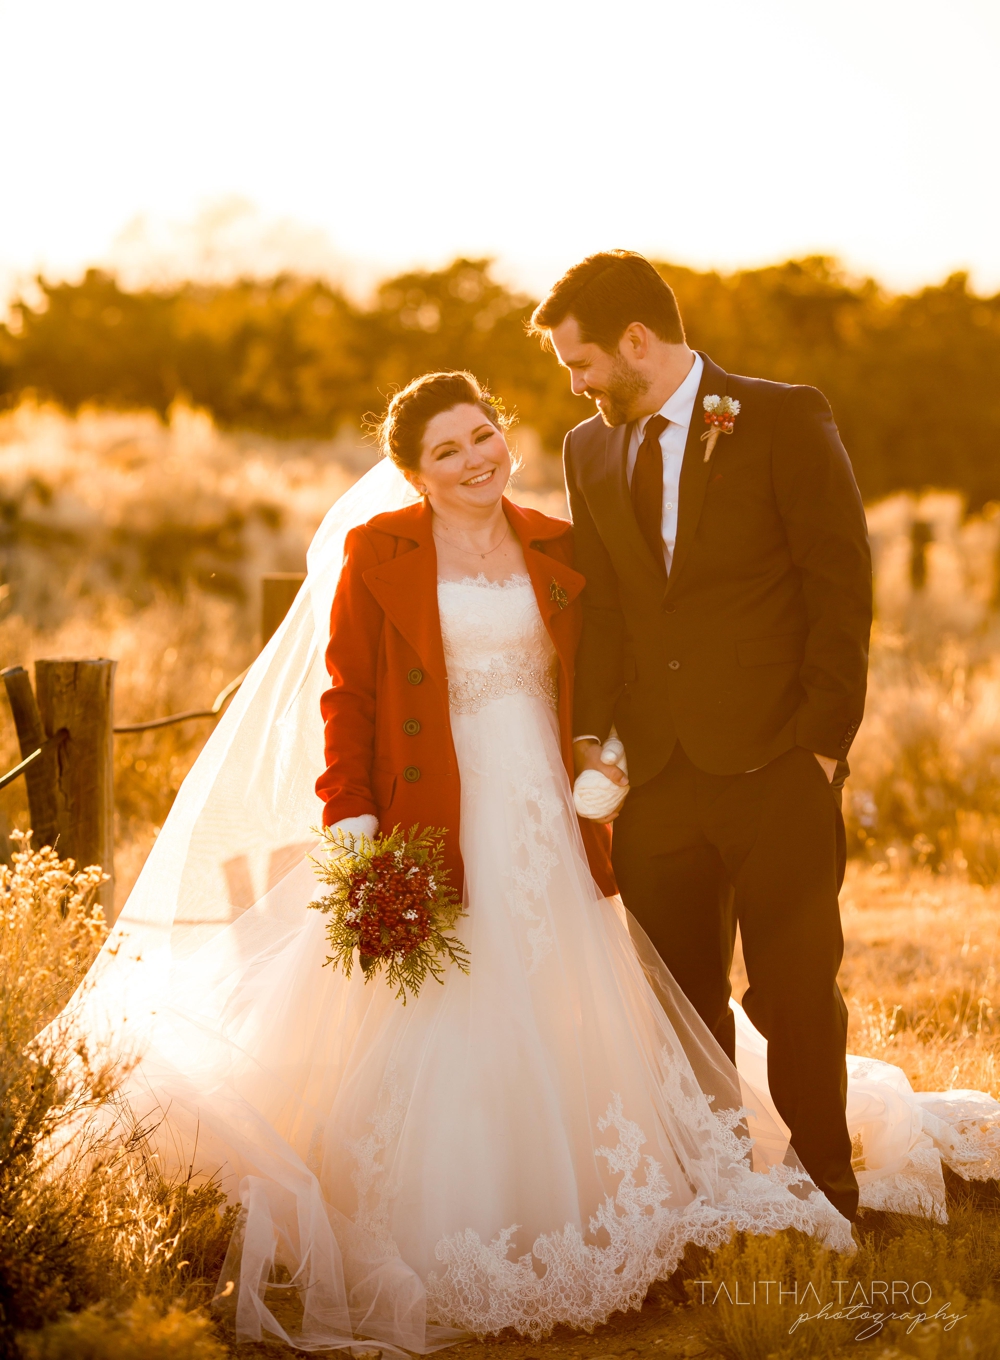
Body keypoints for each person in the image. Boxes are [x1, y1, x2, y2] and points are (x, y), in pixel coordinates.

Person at [58, 367, 998, 1354]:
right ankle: (461, 1222)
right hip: (433, 820)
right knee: (445, 1010)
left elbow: (617, 676)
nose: (475, 461)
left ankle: (613, 1214)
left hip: (554, 817)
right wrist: (354, 827)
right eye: (447, 452)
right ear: (414, 476)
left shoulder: (558, 543)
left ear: (503, 433)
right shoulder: (376, 554)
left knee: (573, 999)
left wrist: (612, 767)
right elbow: (348, 701)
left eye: (482, 436)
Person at [530, 249, 873, 1220]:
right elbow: (601, 616)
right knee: (680, 1002)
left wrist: (819, 747)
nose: (575, 383)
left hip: (777, 764)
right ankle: (719, 1190)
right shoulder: (586, 450)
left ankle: (825, 1190)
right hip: (658, 777)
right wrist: (597, 749)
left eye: (581, 361)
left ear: (636, 341)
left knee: (796, 991)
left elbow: (839, 584)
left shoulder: (779, 416)